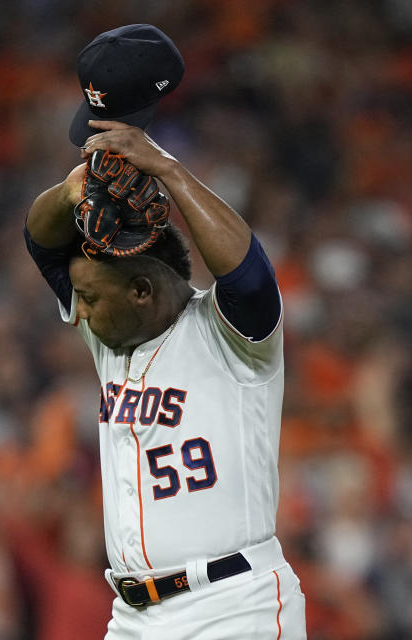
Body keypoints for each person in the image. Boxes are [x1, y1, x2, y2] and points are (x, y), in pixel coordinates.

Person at [23, 23, 306, 640]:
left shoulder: (234, 339)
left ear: (143, 290)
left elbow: (252, 276)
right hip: (132, 617)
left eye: (92, 299)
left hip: (234, 605)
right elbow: (40, 240)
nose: (81, 315)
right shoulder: (110, 335)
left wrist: (169, 172)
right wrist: (73, 188)